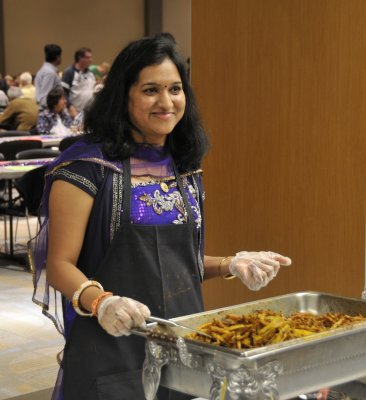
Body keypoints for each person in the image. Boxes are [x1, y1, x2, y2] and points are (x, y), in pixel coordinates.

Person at [30, 33, 291, 400]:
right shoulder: (86, 168)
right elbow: (59, 265)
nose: (166, 102)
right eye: (151, 90)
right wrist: (103, 302)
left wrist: (232, 263)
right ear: (125, 96)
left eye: (175, 89)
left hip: (183, 348)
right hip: (111, 351)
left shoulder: (184, 168)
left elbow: (172, 265)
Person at [61, 47, 96, 116]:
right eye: (88, 58)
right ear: (80, 58)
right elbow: (63, 92)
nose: (91, 60)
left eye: (91, 57)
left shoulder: (91, 74)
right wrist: (70, 107)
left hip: (89, 112)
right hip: (74, 112)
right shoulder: (69, 72)